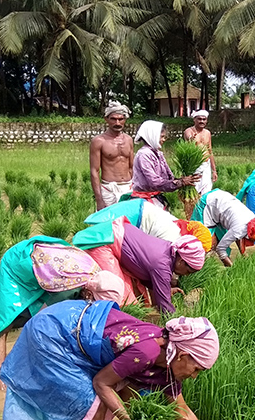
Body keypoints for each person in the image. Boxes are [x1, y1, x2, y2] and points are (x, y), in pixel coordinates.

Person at [0, 300, 219, 420]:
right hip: (54, 332)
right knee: (90, 405)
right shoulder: (147, 351)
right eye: (197, 368)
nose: (194, 376)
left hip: (76, 326)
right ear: (181, 354)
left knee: (117, 392)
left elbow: (183, 413)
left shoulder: (168, 365)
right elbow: (102, 383)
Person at [0, 236, 126, 390]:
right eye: (96, 303)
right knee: (4, 322)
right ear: (89, 294)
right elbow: (45, 321)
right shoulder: (68, 285)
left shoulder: (95, 279)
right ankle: (0, 382)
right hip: (19, 266)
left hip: (46, 271)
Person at [73, 219, 205, 313]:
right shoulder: (162, 265)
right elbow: (164, 307)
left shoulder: (168, 249)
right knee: (121, 299)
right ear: (181, 261)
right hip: (105, 243)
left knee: (138, 298)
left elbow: (150, 279)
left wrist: (164, 291)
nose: (186, 275)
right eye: (188, 271)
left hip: (116, 234)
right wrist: (177, 317)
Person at [84, 199, 212, 252]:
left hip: (137, 206)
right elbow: (152, 261)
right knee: (99, 243)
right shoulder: (173, 238)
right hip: (134, 216)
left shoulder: (179, 227)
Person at [191, 189, 255, 266]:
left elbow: (238, 237)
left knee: (222, 239)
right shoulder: (240, 228)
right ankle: (195, 267)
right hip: (209, 203)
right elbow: (221, 249)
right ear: (254, 234)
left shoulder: (253, 221)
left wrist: (243, 254)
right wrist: (233, 268)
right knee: (204, 243)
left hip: (221, 201)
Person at [132, 120, 200, 208]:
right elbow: (154, 182)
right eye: (161, 137)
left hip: (156, 197)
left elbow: (169, 177)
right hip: (144, 200)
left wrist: (182, 180)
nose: (164, 140)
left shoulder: (158, 153)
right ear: (152, 137)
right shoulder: (144, 154)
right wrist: (181, 182)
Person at [90, 100, 134, 210]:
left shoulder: (128, 140)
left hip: (128, 187)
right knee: (108, 224)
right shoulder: (99, 141)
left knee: (128, 223)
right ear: (106, 119)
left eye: (120, 119)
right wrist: (99, 199)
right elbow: (94, 171)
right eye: (113, 119)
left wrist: (135, 188)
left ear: (125, 120)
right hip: (109, 188)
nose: (117, 123)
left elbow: (132, 167)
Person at [183, 110, 217, 196]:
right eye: (199, 119)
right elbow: (189, 139)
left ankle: (204, 208)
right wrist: (192, 138)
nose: (202, 121)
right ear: (194, 120)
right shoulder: (189, 131)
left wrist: (214, 170)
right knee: (195, 190)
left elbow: (210, 151)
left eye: (204, 119)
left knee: (206, 191)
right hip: (194, 165)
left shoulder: (207, 133)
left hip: (206, 164)